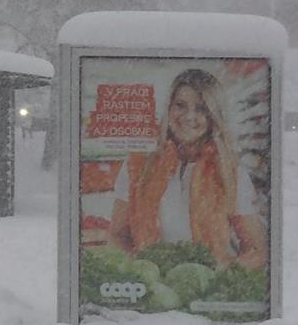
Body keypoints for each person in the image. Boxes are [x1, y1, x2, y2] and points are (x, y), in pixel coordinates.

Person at [110, 68, 265, 268]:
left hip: (208, 283)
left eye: (200, 108)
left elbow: (256, 250)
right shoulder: (137, 164)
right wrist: (140, 273)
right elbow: (118, 235)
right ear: (169, 108)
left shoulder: (231, 172)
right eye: (180, 105)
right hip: (151, 282)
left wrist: (220, 274)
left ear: (213, 116)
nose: (189, 116)